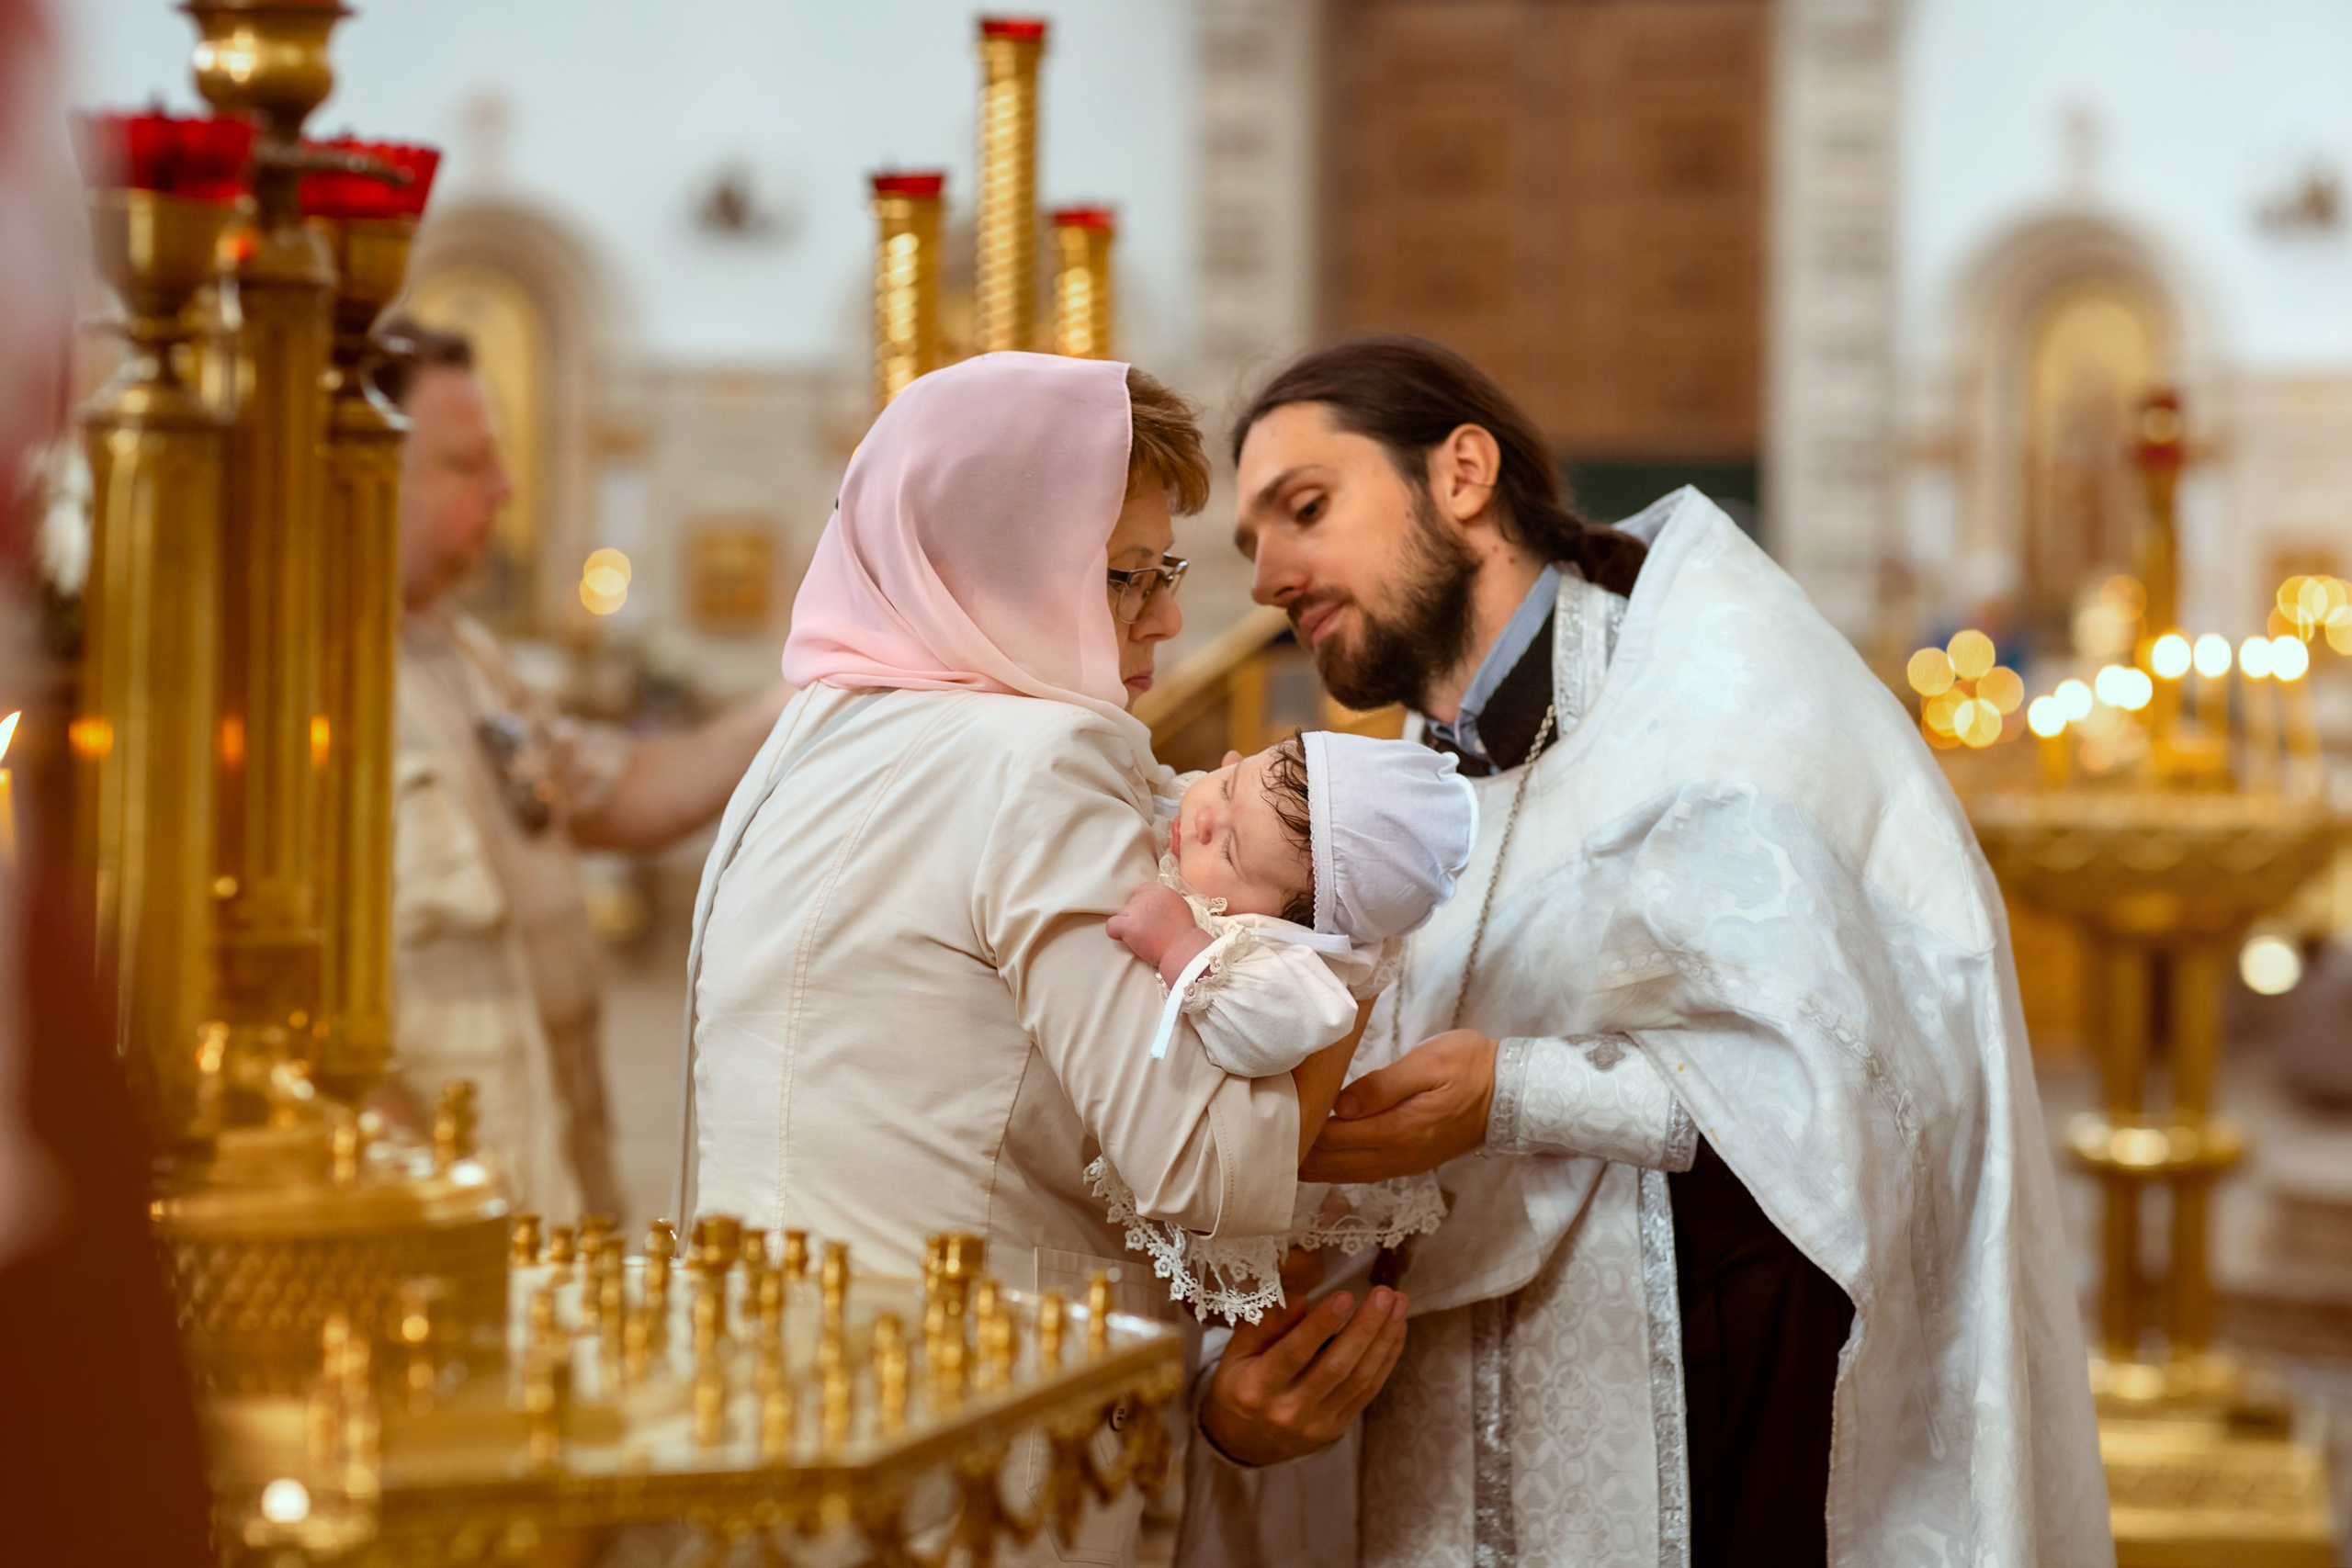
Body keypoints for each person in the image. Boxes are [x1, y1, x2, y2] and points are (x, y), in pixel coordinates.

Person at [1195, 335, 2109, 1567]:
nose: (1269, 575)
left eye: (1304, 509)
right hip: (1435, 1465)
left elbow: (1862, 1087)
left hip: (1720, 1446)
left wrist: (1513, 1090)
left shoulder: (1730, 691)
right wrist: (1237, 1382)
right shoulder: (1386, 799)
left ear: (1463, 471)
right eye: (1252, 540)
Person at [676, 352, 1408, 1565]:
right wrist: (1336, 965)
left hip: (758, 1409)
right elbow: (1206, 1171)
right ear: (988, 566)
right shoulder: (1041, 755)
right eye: (1126, 578)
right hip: (976, 1450)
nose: (1168, 617)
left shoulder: (806, 741)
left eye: (1165, 572)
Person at [375, 319, 788, 1218]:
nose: (504, 487)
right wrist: (410, 1204)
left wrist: (797, 701)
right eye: (466, 463)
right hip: (426, 1220)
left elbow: (620, 792)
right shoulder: (302, 686)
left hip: (547, 1189)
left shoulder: (465, 655)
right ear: (368, 467)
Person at [1096, 730, 1476, 1323]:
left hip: (1210, 1200)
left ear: (1297, 924)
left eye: (1230, 852)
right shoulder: (1212, 823)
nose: (1203, 819)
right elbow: (1172, 789)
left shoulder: (1295, 967)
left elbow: (1266, 1037)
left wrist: (1184, 947)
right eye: (1227, 782)